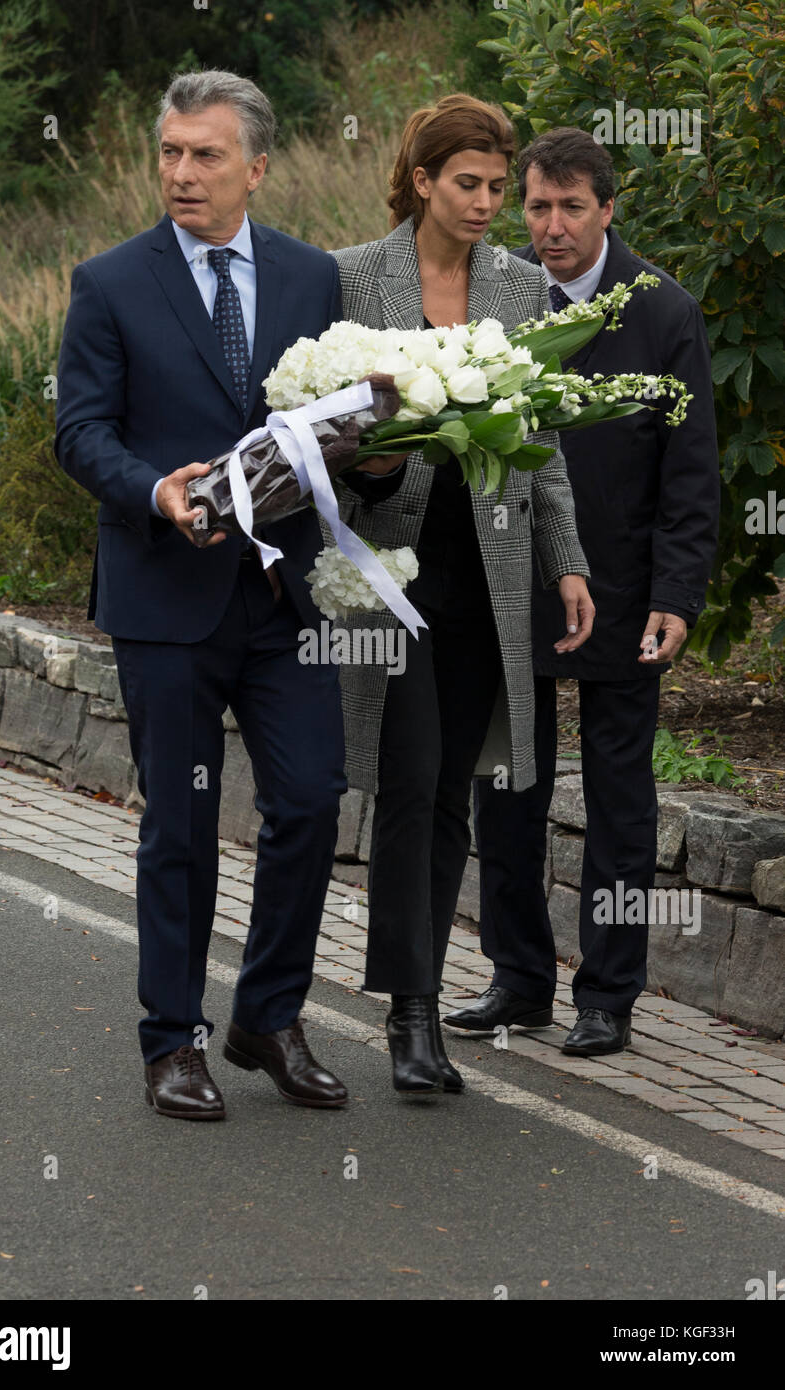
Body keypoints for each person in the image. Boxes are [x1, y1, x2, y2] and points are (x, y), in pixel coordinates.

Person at [55, 69, 402, 1120]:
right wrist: (150, 489)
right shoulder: (109, 281)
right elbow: (80, 431)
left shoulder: (310, 279)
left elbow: (327, 427)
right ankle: (173, 1039)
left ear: (255, 166)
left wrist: (377, 461)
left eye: (204, 154)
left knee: (307, 799)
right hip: (164, 597)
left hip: (285, 597)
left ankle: (267, 1016)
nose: (180, 172)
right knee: (183, 824)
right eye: (168, 151)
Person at [331, 95, 594, 1095]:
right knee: (409, 778)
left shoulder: (523, 290)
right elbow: (324, 424)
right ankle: (406, 1015)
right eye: (469, 184)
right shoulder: (356, 274)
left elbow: (545, 445)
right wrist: (367, 472)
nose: (488, 202)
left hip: (489, 572)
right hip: (392, 566)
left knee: (451, 793)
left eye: (498, 185)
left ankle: (425, 995)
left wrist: (565, 560)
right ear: (422, 179)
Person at [445, 127, 719, 1056]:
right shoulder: (501, 301)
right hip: (510, 582)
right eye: (536, 208)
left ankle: (608, 996)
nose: (551, 227)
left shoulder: (664, 314)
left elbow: (691, 477)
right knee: (508, 786)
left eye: (570, 208)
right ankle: (518, 979)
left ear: (608, 209)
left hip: (628, 591)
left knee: (619, 798)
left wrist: (676, 597)